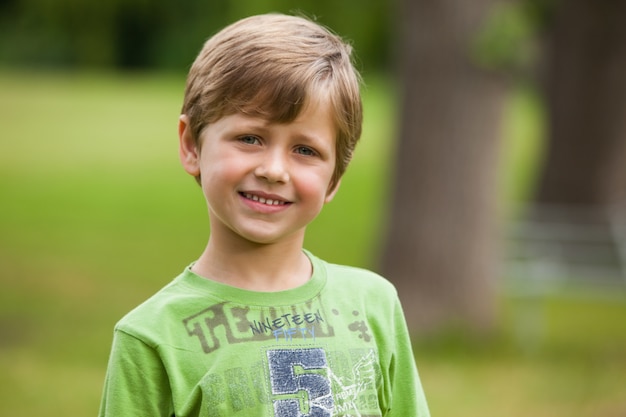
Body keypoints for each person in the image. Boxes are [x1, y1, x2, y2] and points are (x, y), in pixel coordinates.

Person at [98, 13, 430, 417]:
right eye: (250, 138)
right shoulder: (151, 336)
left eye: (305, 150)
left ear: (334, 177)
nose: (274, 169)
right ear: (191, 146)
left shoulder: (373, 305)